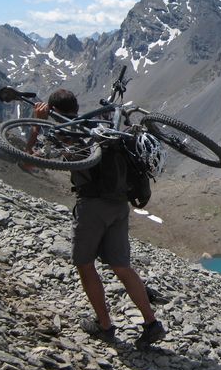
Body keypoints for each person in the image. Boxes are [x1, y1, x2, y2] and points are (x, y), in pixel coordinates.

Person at [34, 88, 166, 348]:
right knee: (122, 267)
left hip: (92, 206)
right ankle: (152, 324)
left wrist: (37, 125)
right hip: (119, 205)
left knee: (84, 264)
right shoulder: (96, 127)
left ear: (53, 110)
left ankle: (104, 326)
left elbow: (29, 161)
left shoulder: (67, 132)